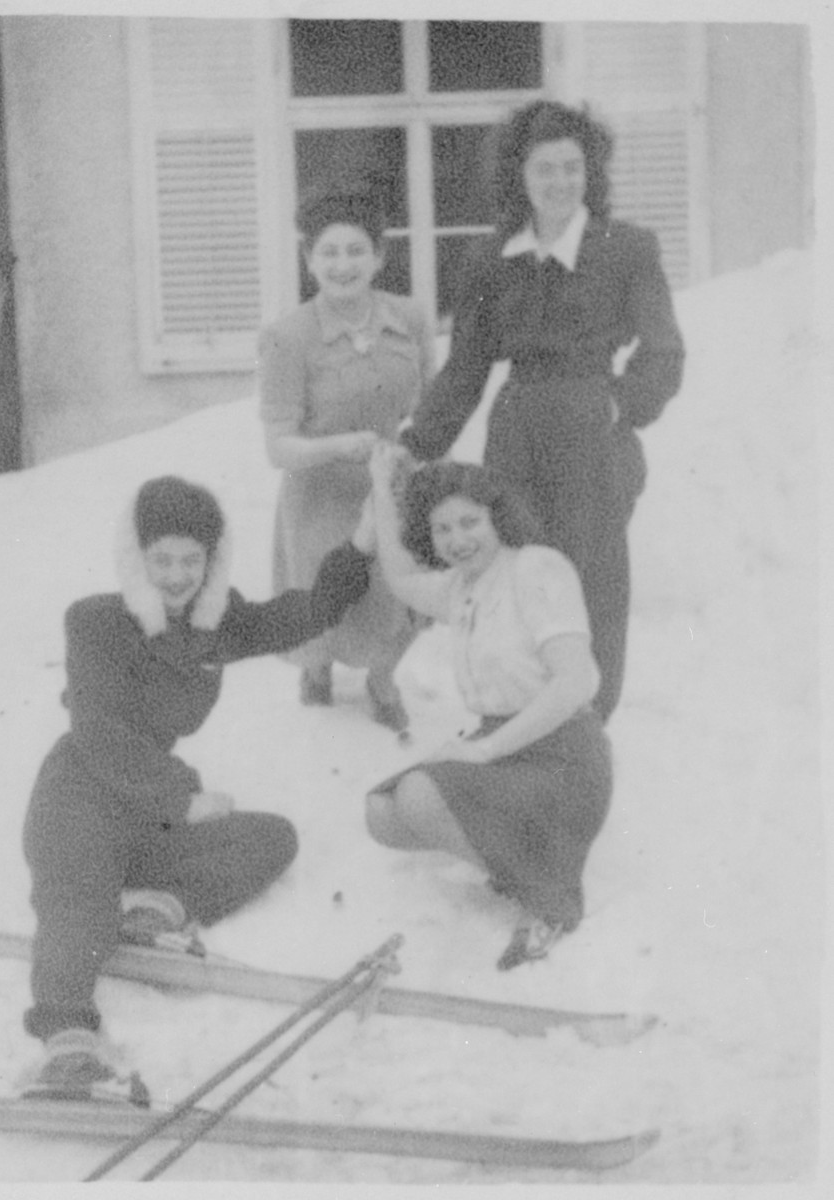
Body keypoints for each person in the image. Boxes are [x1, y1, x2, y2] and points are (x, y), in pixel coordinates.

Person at [21, 475, 372, 1102]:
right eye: (162, 560)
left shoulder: (216, 622)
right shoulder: (96, 621)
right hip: (81, 792)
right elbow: (100, 733)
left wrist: (362, 549)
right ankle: (68, 1045)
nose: (177, 575)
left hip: (147, 810)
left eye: (192, 559)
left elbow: (294, 616)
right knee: (76, 900)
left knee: (271, 838)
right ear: (137, 558)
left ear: (212, 560)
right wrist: (180, 802)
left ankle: (153, 911)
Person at [399, 99, 685, 722]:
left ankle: (586, 723)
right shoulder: (489, 259)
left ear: (591, 172)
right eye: (544, 170)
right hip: (518, 435)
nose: (560, 183)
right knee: (517, 578)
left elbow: (664, 355)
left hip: (593, 434)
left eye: (572, 168)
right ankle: (518, 716)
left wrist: (619, 404)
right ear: (518, 177)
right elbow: (467, 367)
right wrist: (418, 441)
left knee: (591, 581)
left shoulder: (626, 249)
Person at [362, 444, 612, 971]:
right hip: (505, 750)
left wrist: (487, 750)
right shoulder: (462, 587)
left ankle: (548, 897)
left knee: (419, 794)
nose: (457, 540)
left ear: (498, 516)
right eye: (441, 530)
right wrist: (382, 486)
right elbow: (402, 579)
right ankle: (520, 864)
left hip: (564, 755)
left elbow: (576, 682)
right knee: (383, 815)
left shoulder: (537, 568)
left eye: (469, 522)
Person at [259, 183, 436, 732]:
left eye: (356, 250)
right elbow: (277, 446)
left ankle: (383, 681)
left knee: (402, 594)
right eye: (329, 252)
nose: (343, 265)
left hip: (393, 484)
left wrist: (418, 454)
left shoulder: (411, 318)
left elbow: (432, 407)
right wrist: (339, 446)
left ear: (380, 256)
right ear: (308, 259)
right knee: (324, 597)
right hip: (319, 494)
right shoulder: (287, 337)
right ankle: (316, 670)